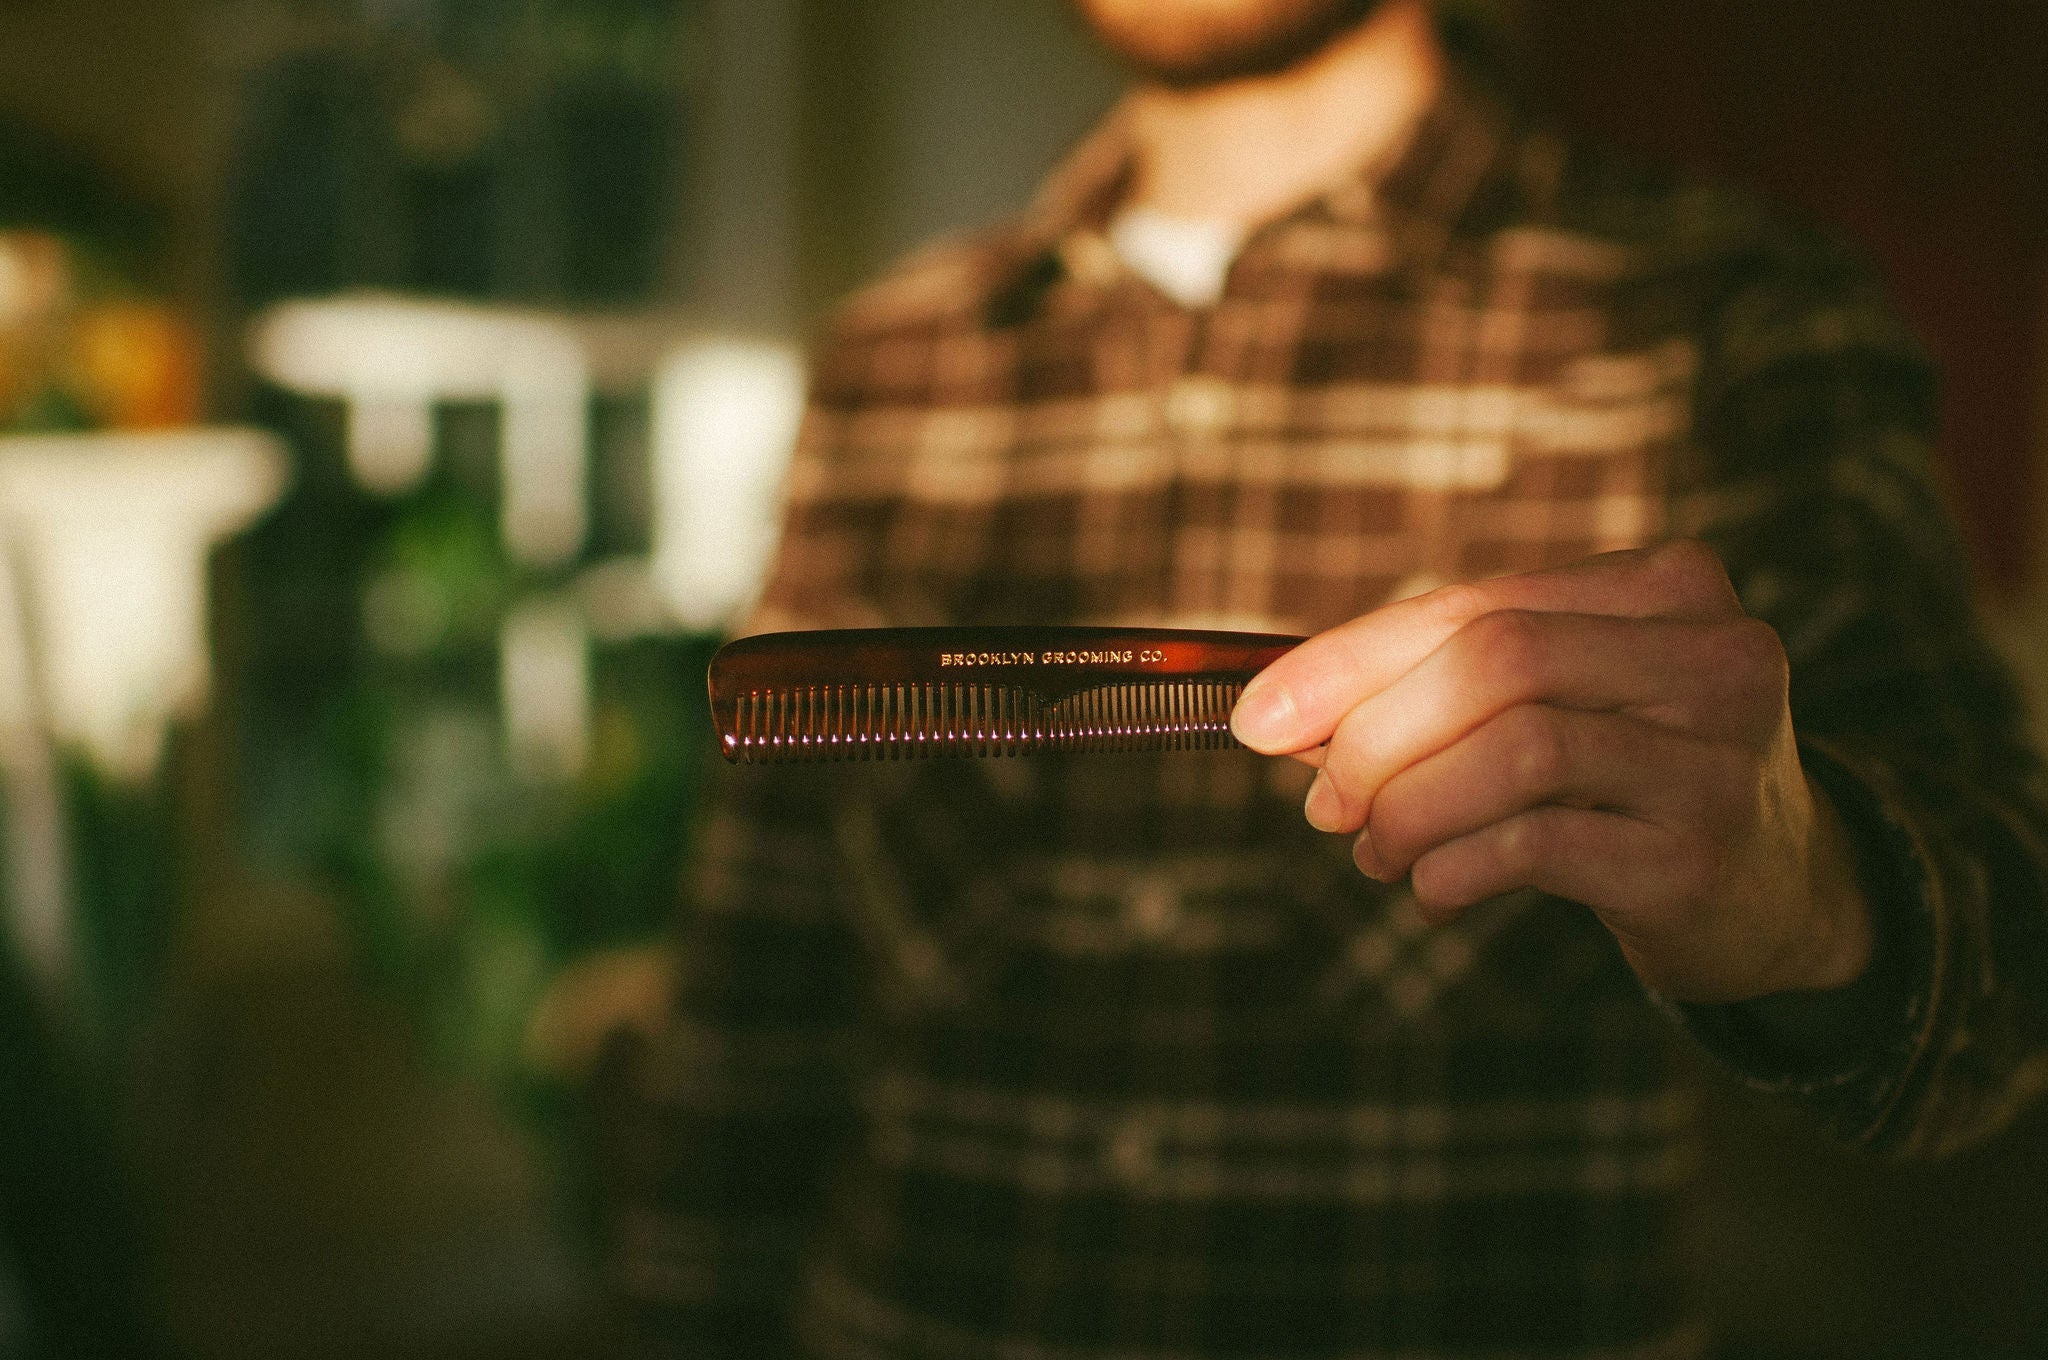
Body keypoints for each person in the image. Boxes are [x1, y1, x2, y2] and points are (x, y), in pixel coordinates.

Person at [607, 1, 2048, 1355]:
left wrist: (1812, 901)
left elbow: (2011, 972)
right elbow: (752, 1017)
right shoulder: (893, 363)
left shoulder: (1734, 315)